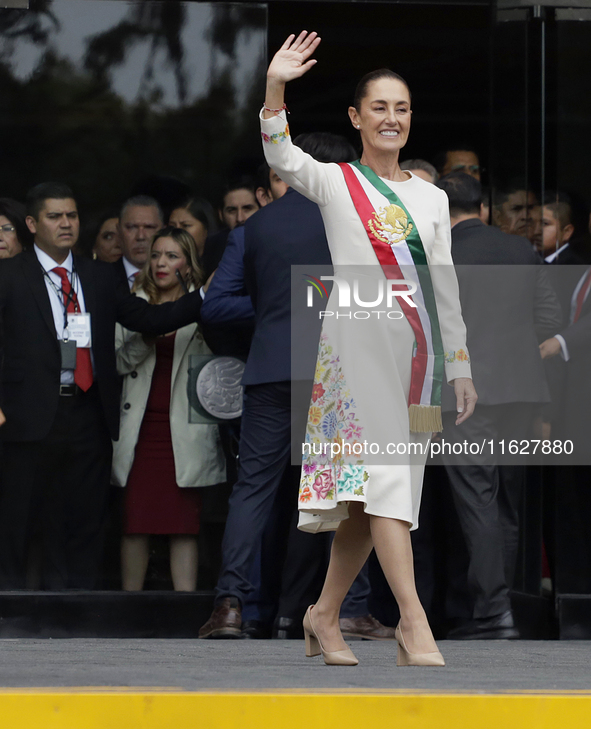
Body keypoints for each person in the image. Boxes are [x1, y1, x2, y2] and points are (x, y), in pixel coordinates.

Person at [256, 32, 476, 666]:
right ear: (356, 118)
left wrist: (458, 364)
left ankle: (324, 616)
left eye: (401, 108)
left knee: (373, 497)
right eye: (378, 107)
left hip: (419, 361)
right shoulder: (333, 182)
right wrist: (277, 85)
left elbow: (444, 288)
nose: (391, 119)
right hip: (354, 358)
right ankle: (413, 621)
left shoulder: (433, 199)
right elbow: (278, 147)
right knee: (384, 487)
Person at [0, 182, 204, 590]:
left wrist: (207, 295)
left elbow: (148, 320)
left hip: (88, 412)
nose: (65, 224)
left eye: (71, 216)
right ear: (31, 224)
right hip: (27, 416)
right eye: (55, 217)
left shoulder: (95, 275)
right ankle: (12, 613)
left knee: (85, 519)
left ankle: (78, 615)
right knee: (19, 520)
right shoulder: (8, 276)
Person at [435, 172, 561, 638]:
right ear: (483, 209)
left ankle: (492, 614)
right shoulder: (519, 250)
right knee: (505, 504)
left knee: (477, 502)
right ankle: (501, 606)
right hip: (522, 391)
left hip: (467, 394)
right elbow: (549, 317)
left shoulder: (438, 254)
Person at [112, 227, 226, 591]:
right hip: (140, 429)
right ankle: (129, 608)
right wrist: (149, 331)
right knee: (135, 523)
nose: (161, 263)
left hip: (185, 430)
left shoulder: (206, 303)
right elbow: (117, 361)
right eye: (156, 255)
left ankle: (184, 608)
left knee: (183, 525)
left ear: (188, 263)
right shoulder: (134, 301)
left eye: (172, 256)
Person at [116, 195, 164, 289]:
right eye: (132, 227)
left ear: (163, 231)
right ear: (118, 231)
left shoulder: (178, 280)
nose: (140, 236)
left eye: (149, 227)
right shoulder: (101, 280)